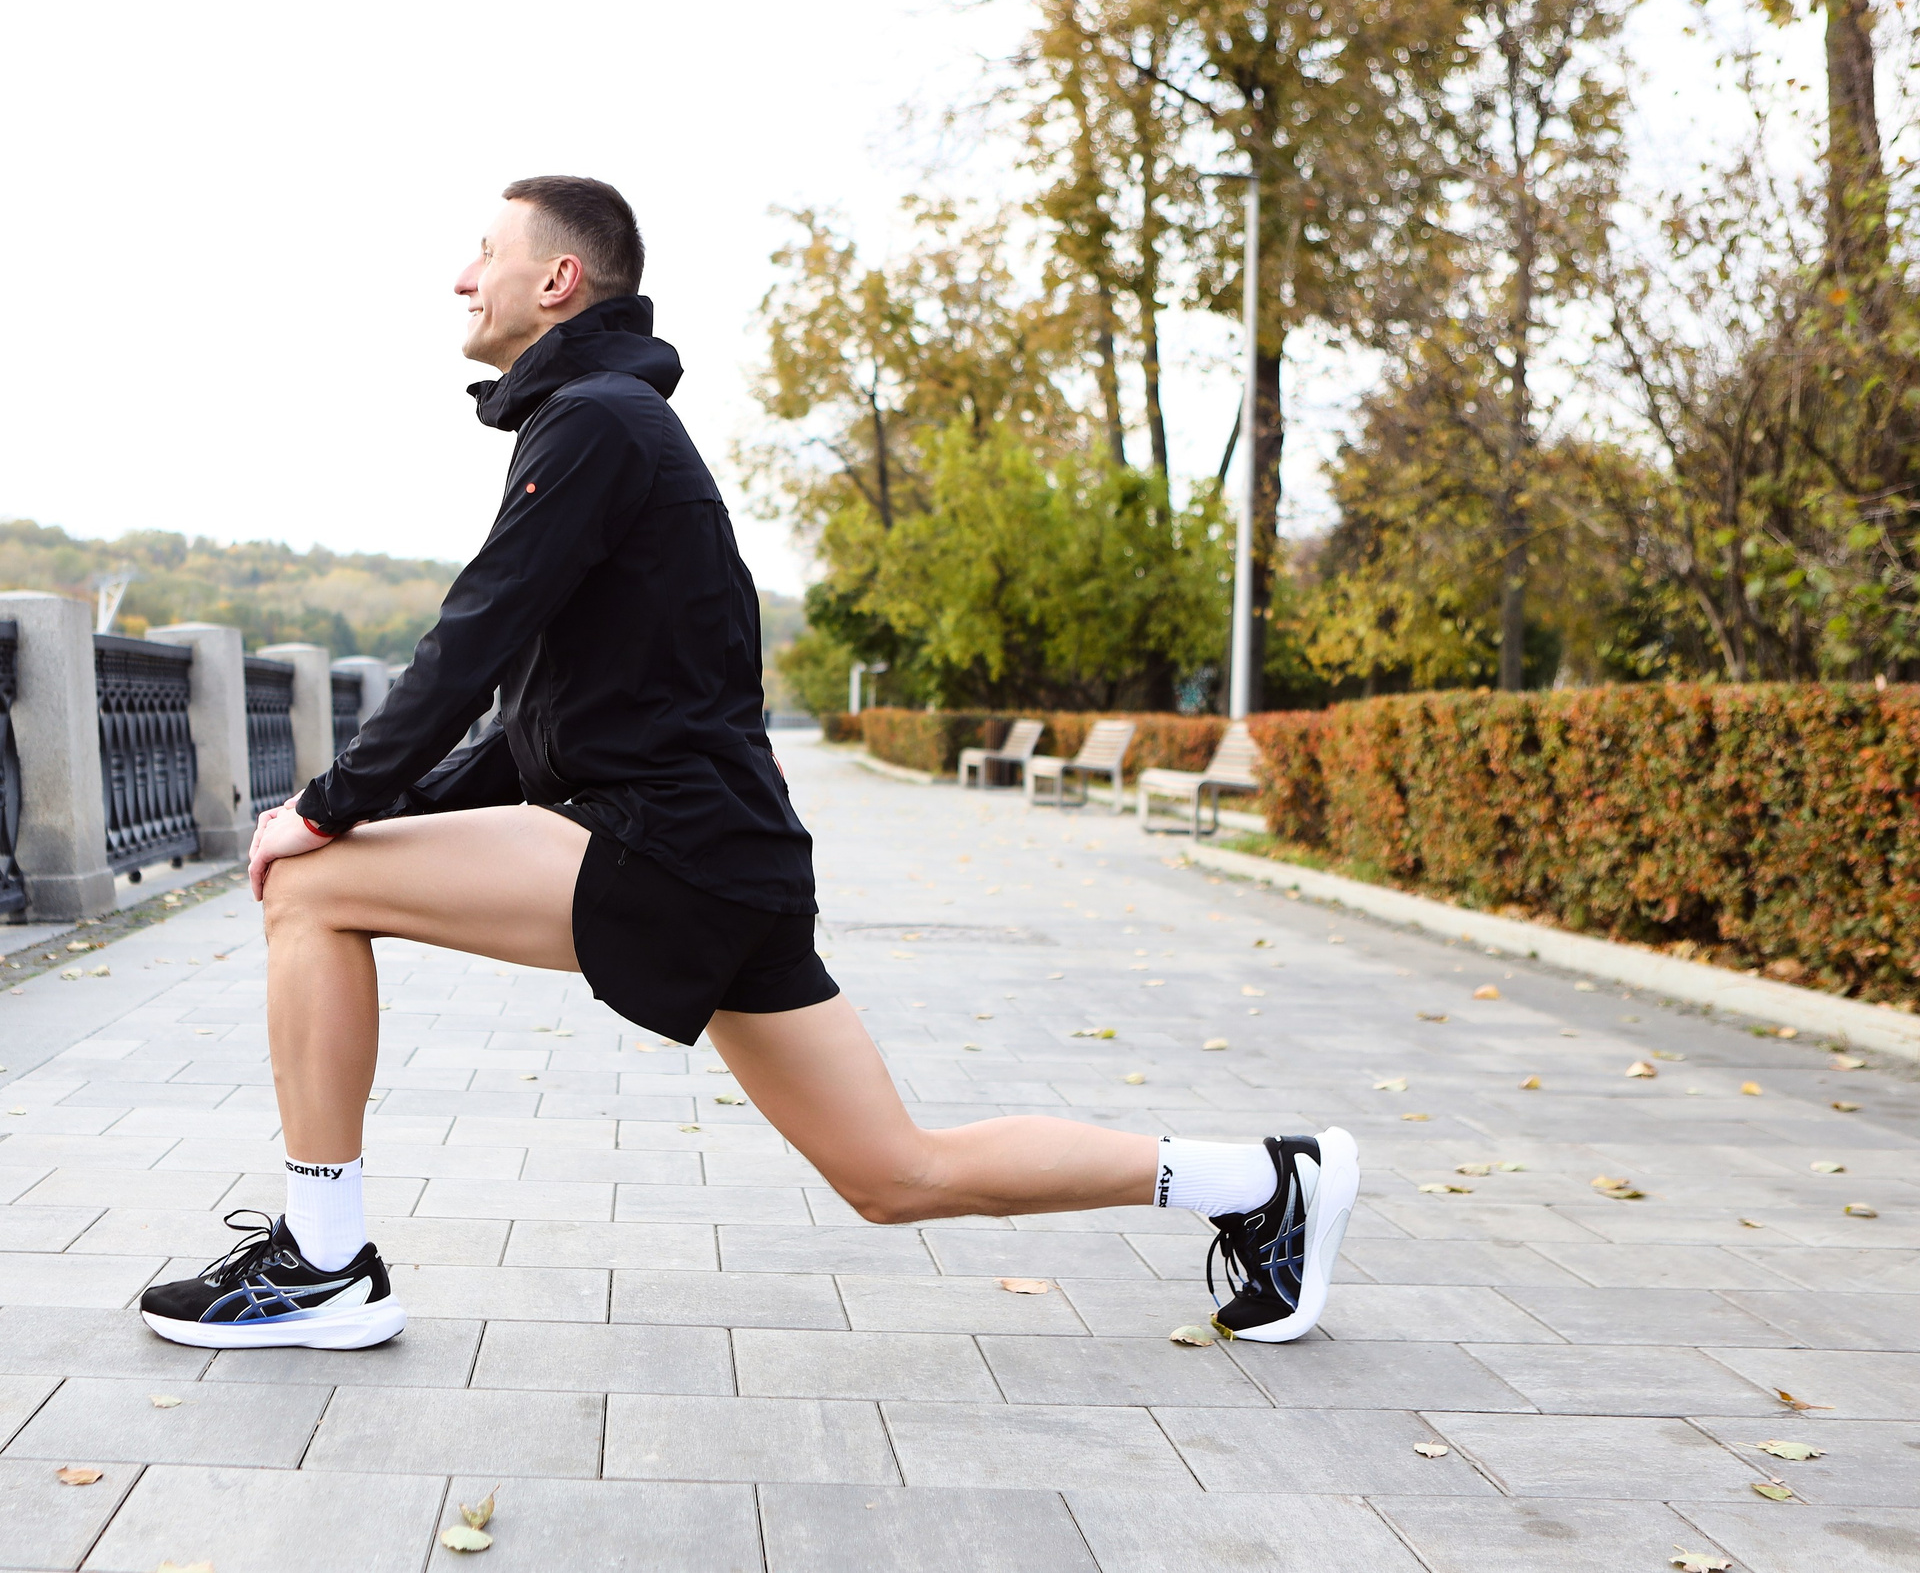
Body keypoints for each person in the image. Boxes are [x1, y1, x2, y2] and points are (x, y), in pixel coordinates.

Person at [137, 176, 1358, 1352]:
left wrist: (333, 806)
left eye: (485, 253)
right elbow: (541, 724)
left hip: (668, 843)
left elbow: (475, 633)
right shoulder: (612, 425)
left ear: (557, 279)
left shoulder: (596, 423)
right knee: (895, 1172)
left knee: (308, 887)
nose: (462, 275)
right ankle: (1258, 1180)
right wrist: (359, 805)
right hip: (724, 856)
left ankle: (323, 1261)